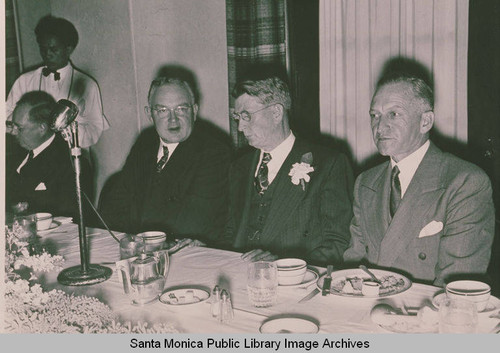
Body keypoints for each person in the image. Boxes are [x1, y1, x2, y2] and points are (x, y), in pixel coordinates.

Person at [344, 74, 495, 286]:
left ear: (425, 122)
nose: (380, 127)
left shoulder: (464, 182)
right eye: (374, 115)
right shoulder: (366, 182)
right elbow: (354, 264)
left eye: (393, 114)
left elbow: (457, 285)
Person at [225, 75, 354, 266]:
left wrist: (285, 266)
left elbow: (338, 243)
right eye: (237, 117)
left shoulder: (329, 164)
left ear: (276, 112)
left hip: (296, 284)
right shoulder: (239, 167)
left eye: (246, 116)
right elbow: (229, 232)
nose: (241, 127)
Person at [99, 76, 232, 245]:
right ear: (149, 114)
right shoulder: (145, 143)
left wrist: (136, 239)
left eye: (181, 109)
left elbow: (195, 223)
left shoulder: (214, 153)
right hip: (140, 249)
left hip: (185, 255)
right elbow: (116, 204)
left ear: (194, 111)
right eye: (162, 110)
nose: (173, 119)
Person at [6, 15, 108, 148]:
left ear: (68, 49)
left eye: (53, 49)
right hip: (32, 154)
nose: (47, 54)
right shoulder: (24, 81)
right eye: (43, 49)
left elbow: (95, 128)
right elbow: (6, 117)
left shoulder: (87, 84)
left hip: (71, 156)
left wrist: (68, 128)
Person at [6, 91, 92, 218]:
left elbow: (69, 217)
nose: (13, 132)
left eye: (19, 128)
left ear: (42, 127)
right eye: (11, 125)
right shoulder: (13, 152)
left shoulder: (70, 164)